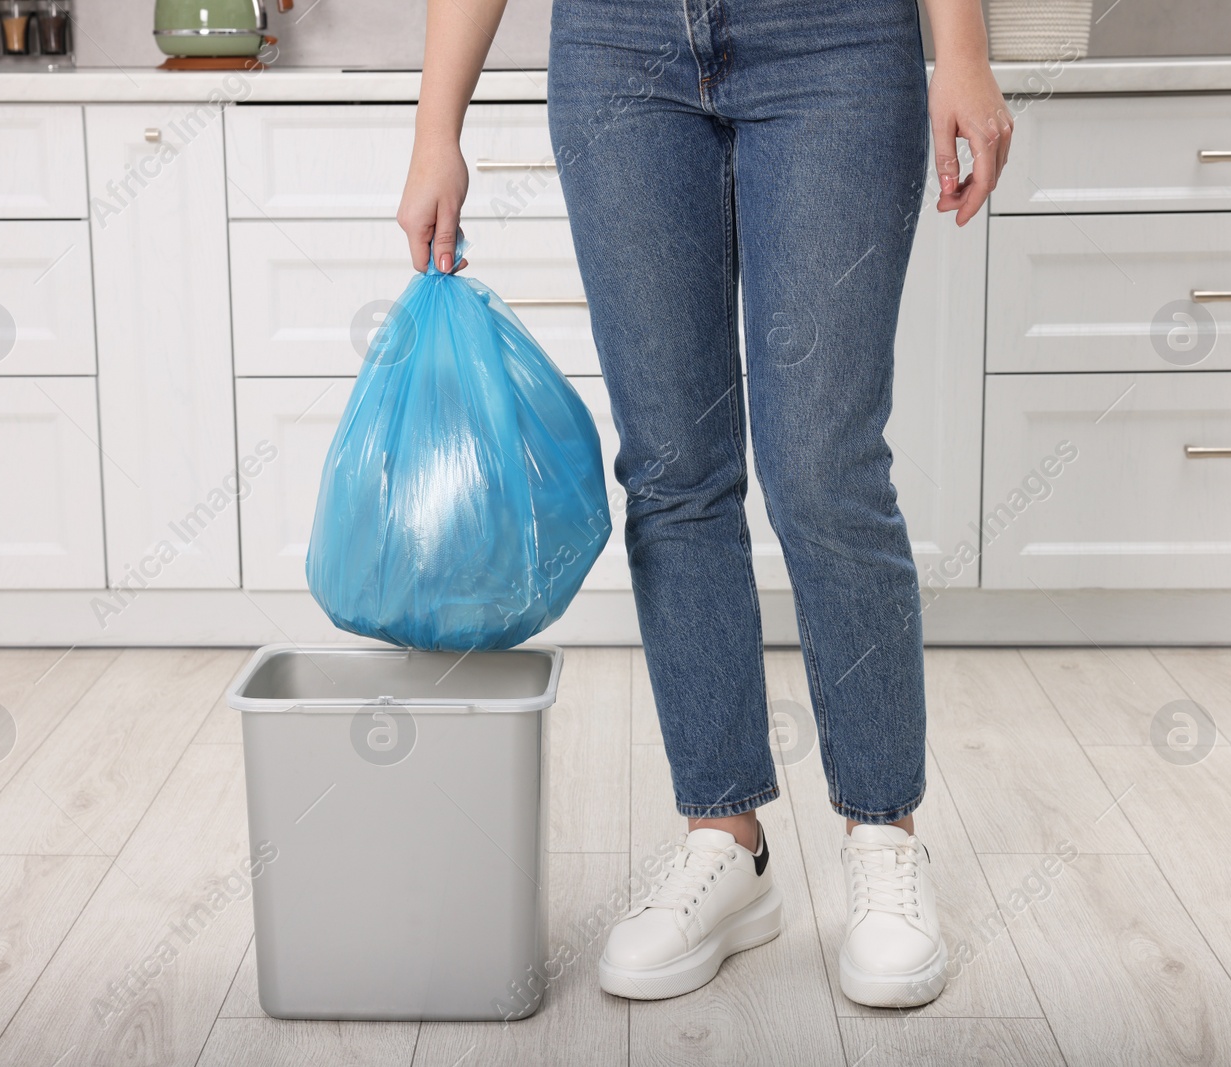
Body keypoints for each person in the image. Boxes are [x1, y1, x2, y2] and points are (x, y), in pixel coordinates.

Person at [398, 0, 1010, 1008]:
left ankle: (880, 831)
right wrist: (435, 131)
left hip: (837, 40)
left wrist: (963, 51)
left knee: (825, 465)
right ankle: (726, 839)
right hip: (617, 47)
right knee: (674, 469)